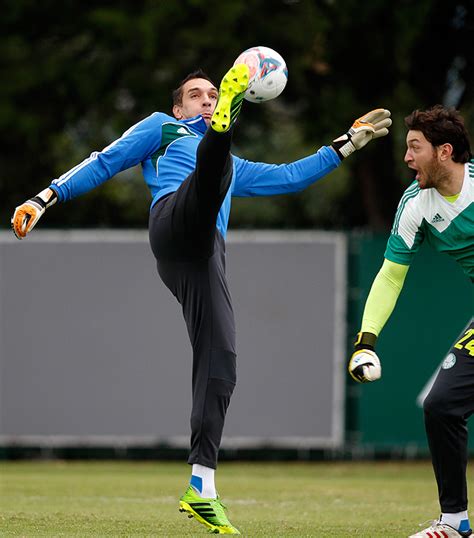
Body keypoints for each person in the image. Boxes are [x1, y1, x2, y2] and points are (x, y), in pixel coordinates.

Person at [12, 60, 391, 535]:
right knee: (209, 173)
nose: (205, 98)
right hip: (174, 221)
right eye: (198, 94)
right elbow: (104, 160)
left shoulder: (233, 164)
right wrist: (44, 197)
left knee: (222, 362)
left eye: (215, 94)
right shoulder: (164, 128)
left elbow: (291, 176)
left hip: (204, 255)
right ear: (179, 105)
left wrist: (347, 143)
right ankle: (229, 115)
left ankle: (202, 485)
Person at [348, 105, 473, 538]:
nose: (406, 158)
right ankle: (455, 522)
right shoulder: (416, 203)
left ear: (445, 151)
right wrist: (366, 340)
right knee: (442, 406)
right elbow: (390, 276)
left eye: (414, 148)